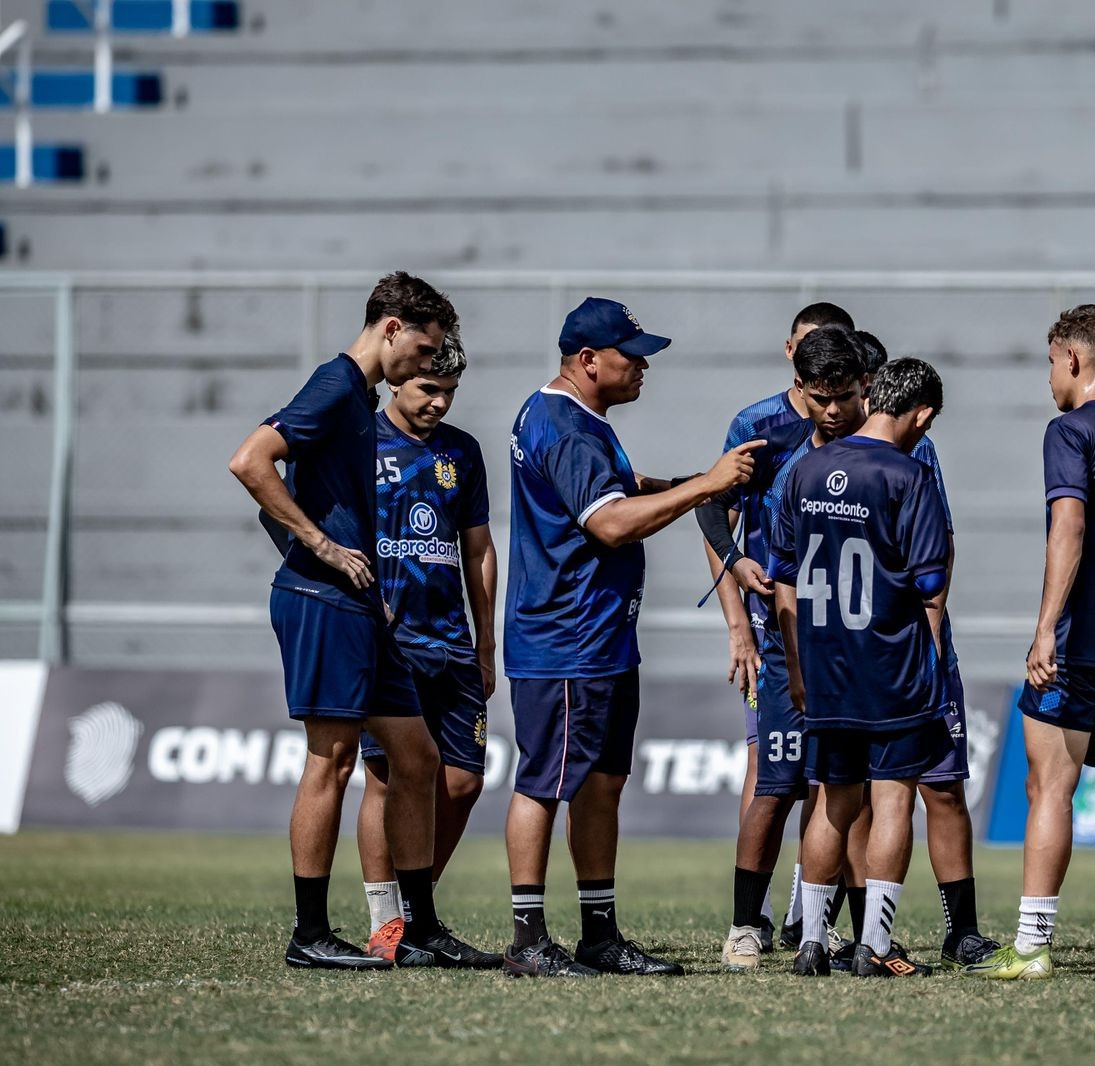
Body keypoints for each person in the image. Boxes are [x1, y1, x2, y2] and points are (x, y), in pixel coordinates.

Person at [229, 271, 493, 969]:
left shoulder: (362, 396)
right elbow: (250, 462)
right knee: (333, 761)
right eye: (424, 348)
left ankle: (419, 930)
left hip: (363, 608)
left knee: (419, 759)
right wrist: (318, 544)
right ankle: (309, 935)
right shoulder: (339, 384)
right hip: (322, 600)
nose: (428, 363)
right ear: (392, 329)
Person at [502, 297, 761, 978]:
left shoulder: (574, 417)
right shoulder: (564, 426)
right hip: (565, 640)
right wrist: (705, 484)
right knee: (543, 784)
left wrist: (685, 486)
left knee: (602, 783)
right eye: (631, 353)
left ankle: (598, 933)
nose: (643, 364)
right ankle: (528, 940)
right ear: (588, 361)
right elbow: (610, 522)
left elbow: (615, 489)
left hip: (602, 638)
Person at [961, 306, 1095, 982]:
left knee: (1048, 789)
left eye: (1050, 362)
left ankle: (1032, 946)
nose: (1049, 377)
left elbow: (1070, 527)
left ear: (1073, 358)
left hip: (1076, 641)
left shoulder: (1069, 431)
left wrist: (1043, 628)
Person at [772, 357, 951, 978]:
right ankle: (874, 947)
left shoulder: (806, 468)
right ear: (921, 414)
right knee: (895, 800)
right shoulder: (910, 474)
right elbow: (930, 584)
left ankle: (812, 944)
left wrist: (796, 664)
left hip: (824, 669)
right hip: (891, 667)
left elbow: (785, 579)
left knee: (831, 804)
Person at [705, 325, 867, 971]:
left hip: (858, 647)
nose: (832, 409)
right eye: (820, 396)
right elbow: (709, 504)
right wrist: (741, 579)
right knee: (773, 786)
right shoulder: (769, 436)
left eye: (845, 395)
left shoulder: (879, 447)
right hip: (787, 640)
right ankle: (746, 925)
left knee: (844, 791)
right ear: (799, 383)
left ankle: (822, 927)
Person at [836, 329, 998, 972]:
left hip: (919, 648)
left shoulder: (916, 454)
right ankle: (868, 934)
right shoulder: (823, 453)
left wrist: (932, 643)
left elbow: (940, 546)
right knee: (862, 797)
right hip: (859, 655)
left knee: (942, 787)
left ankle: (962, 931)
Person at [354, 331, 501, 966]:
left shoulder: (462, 453)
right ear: (396, 380)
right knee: (387, 779)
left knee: (463, 781)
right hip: (389, 643)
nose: (439, 402)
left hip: (452, 642)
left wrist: (486, 640)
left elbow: (479, 549)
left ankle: (420, 915)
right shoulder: (361, 443)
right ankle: (387, 924)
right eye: (427, 388)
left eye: (449, 392)